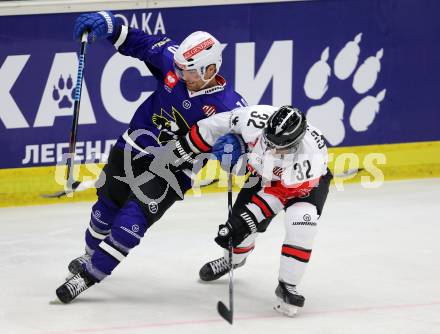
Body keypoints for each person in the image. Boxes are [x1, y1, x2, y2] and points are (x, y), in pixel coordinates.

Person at [55, 11, 247, 303]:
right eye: (180, 70)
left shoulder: (230, 108)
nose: (181, 76)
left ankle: (90, 275)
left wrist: (234, 152)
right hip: (133, 146)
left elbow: (248, 145)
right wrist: (109, 25)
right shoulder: (176, 64)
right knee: (104, 208)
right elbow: (141, 43)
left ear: (210, 70)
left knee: (131, 223)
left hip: (173, 169)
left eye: (190, 72)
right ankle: (89, 256)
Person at [177, 105, 331, 316]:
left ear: (294, 143)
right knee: (240, 237)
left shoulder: (310, 158)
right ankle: (233, 260)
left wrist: (245, 219)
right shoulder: (252, 119)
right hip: (263, 178)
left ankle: (288, 286)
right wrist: (184, 148)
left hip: (306, 186)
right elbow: (213, 125)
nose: (272, 149)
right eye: (269, 141)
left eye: (279, 147)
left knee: (302, 223)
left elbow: (277, 196)